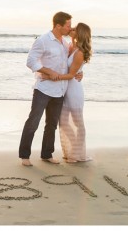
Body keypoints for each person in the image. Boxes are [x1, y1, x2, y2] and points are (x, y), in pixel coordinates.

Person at [19, 12, 73, 166]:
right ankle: (24, 155)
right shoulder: (43, 40)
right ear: (58, 25)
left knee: (51, 124)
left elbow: (67, 64)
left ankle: (47, 154)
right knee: (33, 122)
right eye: (68, 25)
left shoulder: (65, 43)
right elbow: (30, 61)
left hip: (60, 90)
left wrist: (78, 72)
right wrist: (48, 72)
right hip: (43, 89)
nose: (70, 28)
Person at [44, 23, 93, 163]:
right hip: (64, 89)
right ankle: (74, 149)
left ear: (80, 33)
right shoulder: (71, 46)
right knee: (63, 121)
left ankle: (77, 154)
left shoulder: (80, 53)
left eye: (75, 28)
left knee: (78, 123)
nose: (71, 29)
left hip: (74, 90)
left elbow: (71, 74)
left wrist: (51, 76)